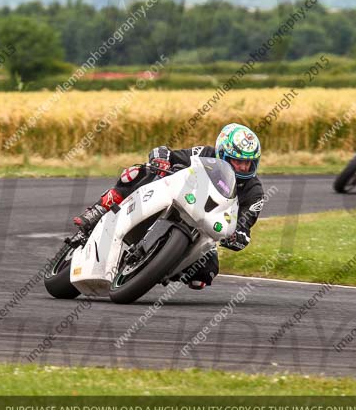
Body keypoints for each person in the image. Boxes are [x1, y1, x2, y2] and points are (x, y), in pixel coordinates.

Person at [73, 123, 265, 290]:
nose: (242, 167)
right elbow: (167, 153)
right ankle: (99, 209)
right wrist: (161, 159)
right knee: (140, 172)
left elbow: (244, 228)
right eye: (238, 160)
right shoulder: (206, 154)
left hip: (204, 227)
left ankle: (160, 268)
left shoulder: (255, 193)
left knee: (206, 273)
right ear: (222, 153)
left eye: (247, 163)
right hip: (177, 199)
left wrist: (236, 237)